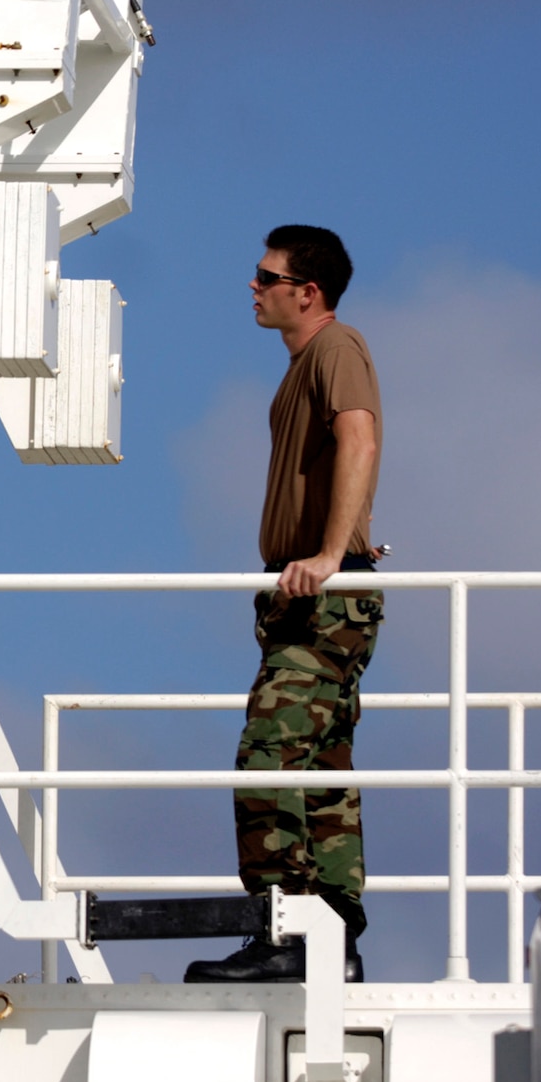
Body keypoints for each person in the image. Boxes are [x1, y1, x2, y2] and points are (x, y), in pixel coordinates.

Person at [187, 226, 383, 984]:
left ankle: (283, 935)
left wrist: (331, 557)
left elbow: (359, 441)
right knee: (321, 767)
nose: (254, 286)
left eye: (266, 276)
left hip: (325, 594)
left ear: (308, 292)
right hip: (307, 596)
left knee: (267, 757)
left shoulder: (336, 350)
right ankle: (332, 939)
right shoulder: (307, 364)